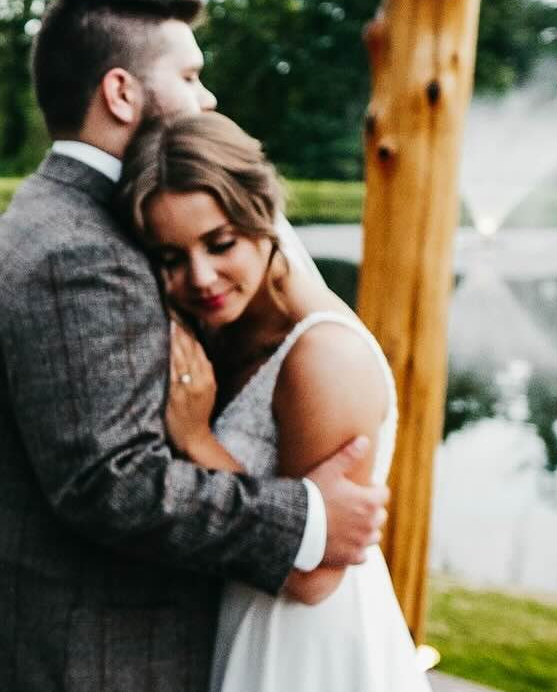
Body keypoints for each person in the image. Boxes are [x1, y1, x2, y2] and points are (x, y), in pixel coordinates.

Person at [0, 0, 390, 691]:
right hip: (72, 656)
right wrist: (307, 518)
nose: (208, 100)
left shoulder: (65, 211)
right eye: (191, 77)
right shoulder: (86, 248)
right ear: (122, 93)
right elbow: (110, 482)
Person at [121, 112, 431, 692]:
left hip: (300, 648)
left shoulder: (322, 358)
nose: (200, 276)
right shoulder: (218, 329)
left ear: (262, 219)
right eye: (170, 258)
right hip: (237, 618)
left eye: (220, 244)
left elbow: (313, 576)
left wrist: (196, 440)